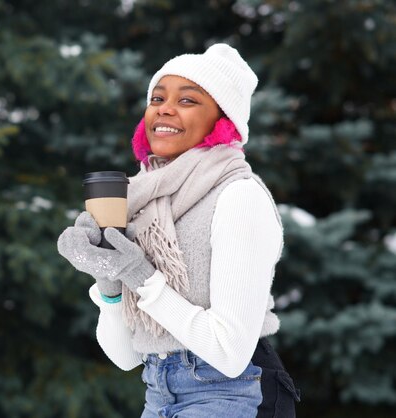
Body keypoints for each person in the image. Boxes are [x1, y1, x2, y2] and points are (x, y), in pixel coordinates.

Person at [58, 43, 300, 417]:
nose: (165, 108)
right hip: (159, 391)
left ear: (223, 121)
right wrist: (106, 279)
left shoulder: (238, 197)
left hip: (233, 392)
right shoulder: (145, 202)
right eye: (157, 97)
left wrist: (139, 275)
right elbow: (125, 358)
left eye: (188, 100)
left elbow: (229, 353)